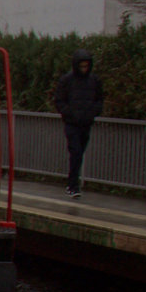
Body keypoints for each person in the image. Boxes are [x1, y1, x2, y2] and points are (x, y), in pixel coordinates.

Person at [53, 48, 103, 198]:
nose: (84, 69)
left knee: (79, 153)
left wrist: (92, 113)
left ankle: (73, 183)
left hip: (86, 123)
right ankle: (73, 185)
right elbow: (59, 101)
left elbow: (99, 100)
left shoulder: (94, 80)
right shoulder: (66, 80)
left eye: (86, 66)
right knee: (75, 152)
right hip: (72, 123)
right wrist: (70, 114)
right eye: (81, 66)